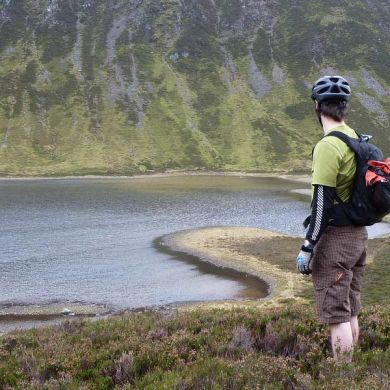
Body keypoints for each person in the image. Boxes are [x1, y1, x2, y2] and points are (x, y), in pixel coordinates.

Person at [296, 75, 368, 362]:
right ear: (344, 108)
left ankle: (343, 376)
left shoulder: (328, 145)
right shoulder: (354, 136)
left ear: (317, 106)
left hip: (336, 239)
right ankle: (351, 373)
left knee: (336, 314)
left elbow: (322, 204)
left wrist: (307, 246)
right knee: (349, 308)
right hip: (358, 237)